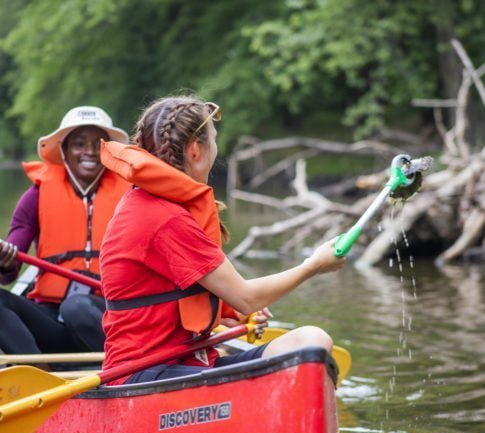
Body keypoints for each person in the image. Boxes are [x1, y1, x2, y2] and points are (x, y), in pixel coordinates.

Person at [99, 95, 345, 385]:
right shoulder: (165, 217)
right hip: (144, 375)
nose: (216, 148)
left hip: (190, 360)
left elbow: (221, 297)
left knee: (309, 341)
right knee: (312, 342)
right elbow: (247, 297)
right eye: (213, 140)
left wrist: (227, 312)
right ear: (195, 150)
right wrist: (313, 266)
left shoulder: (159, 205)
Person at [0, 106, 130, 355]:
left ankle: (128, 370)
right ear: (65, 150)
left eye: (98, 144)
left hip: (112, 318)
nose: (90, 152)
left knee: (77, 307)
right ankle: (39, 376)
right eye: (80, 144)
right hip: (53, 319)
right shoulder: (35, 197)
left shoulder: (132, 197)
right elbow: (9, 273)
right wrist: (5, 260)